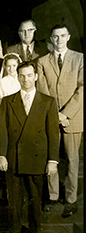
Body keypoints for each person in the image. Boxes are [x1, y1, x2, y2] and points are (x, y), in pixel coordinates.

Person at [0, 61, 59, 233]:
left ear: (36, 76)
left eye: (29, 75)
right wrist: (1, 154)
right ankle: (14, 228)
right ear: (17, 77)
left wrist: (53, 160)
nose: (26, 79)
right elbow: (3, 131)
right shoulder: (8, 101)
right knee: (14, 198)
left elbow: (53, 134)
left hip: (37, 157)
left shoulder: (48, 101)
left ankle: (36, 229)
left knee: (36, 197)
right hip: (13, 157)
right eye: (22, 75)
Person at [36, 24, 83, 218]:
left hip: (74, 117)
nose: (59, 40)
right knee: (52, 158)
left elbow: (82, 88)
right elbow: (43, 88)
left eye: (62, 36)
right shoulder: (42, 61)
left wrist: (66, 114)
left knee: (72, 160)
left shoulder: (80, 58)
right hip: (51, 117)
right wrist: (54, 115)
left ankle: (71, 200)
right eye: (55, 37)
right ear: (51, 38)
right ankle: (53, 196)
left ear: (68, 37)